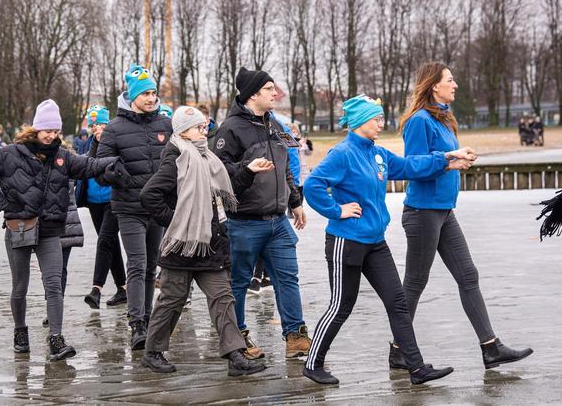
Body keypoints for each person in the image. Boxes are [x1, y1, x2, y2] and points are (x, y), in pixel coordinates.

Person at [302, 94, 475, 385]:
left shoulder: (377, 153)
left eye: (382, 118)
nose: (382, 124)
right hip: (347, 241)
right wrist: (336, 210)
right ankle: (313, 363)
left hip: (375, 241)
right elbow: (313, 185)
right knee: (341, 305)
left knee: (398, 303)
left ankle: (417, 368)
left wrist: (447, 161)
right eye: (376, 118)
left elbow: (410, 167)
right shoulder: (342, 153)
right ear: (359, 121)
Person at [392, 61, 532, 371]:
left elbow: (439, 162)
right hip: (422, 212)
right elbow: (412, 165)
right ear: (434, 86)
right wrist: (447, 161)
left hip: (443, 212)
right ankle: (399, 350)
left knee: (468, 275)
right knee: (415, 283)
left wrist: (454, 163)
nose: (455, 85)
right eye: (450, 80)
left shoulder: (444, 120)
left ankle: (490, 347)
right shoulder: (419, 121)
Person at [0, 99, 116, 361]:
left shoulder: (62, 156)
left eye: (56, 131)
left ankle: (56, 339)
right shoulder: (10, 154)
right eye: (47, 130)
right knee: (20, 286)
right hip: (20, 228)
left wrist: (114, 160)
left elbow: (87, 166)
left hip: (51, 230)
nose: (52, 135)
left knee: (54, 285)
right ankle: (20, 331)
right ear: (36, 129)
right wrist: (3, 205)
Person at [138, 106, 267, 376]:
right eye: (198, 127)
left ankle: (235, 356)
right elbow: (149, 195)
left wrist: (249, 171)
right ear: (183, 132)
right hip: (182, 247)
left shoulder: (207, 158)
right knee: (172, 300)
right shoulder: (177, 158)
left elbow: (228, 194)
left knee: (223, 298)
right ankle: (152, 352)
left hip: (211, 245)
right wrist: (178, 222)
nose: (204, 130)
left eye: (204, 126)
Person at [213, 67, 311, 360]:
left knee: (288, 277)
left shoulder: (276, 125)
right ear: (253, 94)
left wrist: (295, 201)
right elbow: (217, 172)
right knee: (239, 282)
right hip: (244, 222)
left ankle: (295, 335)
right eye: (269, 89)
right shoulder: (229, 129)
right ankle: (238, 336)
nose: (275, 93)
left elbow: (285, 169)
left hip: (278, 222)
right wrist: (246, 168)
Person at [96, 63, 173, 350]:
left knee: (152, 265)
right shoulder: (115, 129)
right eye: (145, 94)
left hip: (157, 207)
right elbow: (100, 166)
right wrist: (113, 172)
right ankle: (137, 324)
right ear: (132, 97)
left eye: (154, 93)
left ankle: (149, 318)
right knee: (138, 264)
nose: (151, 98)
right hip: (128, 207)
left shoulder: (165, 125)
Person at [78, 105, 127, 308]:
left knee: (105, 240)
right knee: (110, 243)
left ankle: (96, 288)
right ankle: (122, 288)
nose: (97, 128)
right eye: (93, 124)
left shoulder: (115, 140)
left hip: (112, 198)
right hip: (93, 201)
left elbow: (108, 164)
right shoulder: (86, 144)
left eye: (101, 124)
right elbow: (84, 165)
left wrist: (101, 142)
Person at [43, 178, 84, 328]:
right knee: (53, 270)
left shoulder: (63, 165)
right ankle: (53, 306)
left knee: (58, 269)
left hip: (65, 224)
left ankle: (53, 308)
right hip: (55, 224)